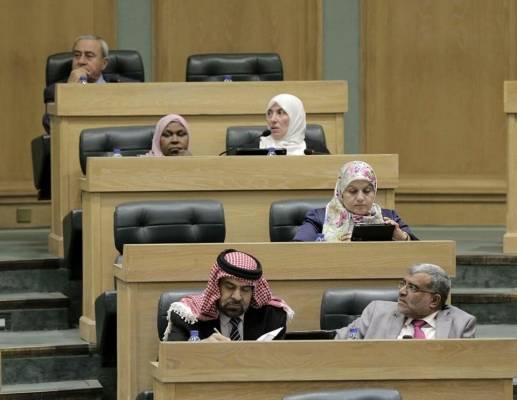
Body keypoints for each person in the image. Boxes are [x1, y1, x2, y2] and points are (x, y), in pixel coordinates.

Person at [162, 249, 294, 341]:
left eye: (245, 289)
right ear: (217, 286)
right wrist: (201, 348)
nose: (237, 296)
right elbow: (169, 361)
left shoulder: (272, 317)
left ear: (254, 291)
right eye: (229, 287)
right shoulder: (188, 317)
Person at [335, 263, 476, 339]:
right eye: (403, 284)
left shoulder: (461, 323)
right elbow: (347, 336)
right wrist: (352, 336)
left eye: (412, 287)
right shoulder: (376, 311)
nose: (401, 291)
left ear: (434, 300)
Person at [293, 160, 418, 241]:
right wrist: (336, 246)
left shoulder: (388, 217)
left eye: (367, 191)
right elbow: (298, 248)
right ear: (340, 193)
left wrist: (402, 237)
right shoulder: (319, 217)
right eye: (352, 191)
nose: (360, 198)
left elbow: (417, 250)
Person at [42, 34, 137, 133]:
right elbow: (50, 126)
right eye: (77, 55)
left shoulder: (127, 87)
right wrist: (69, 91)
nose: (81, 61)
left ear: (104, 63)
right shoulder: (54, 91)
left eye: (89, 56)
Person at [256, 93, 329, 155]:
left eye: (280, 113)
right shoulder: (255, 147)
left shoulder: (316, 151)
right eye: (269, 113)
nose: (272, 119)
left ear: (295, 118)